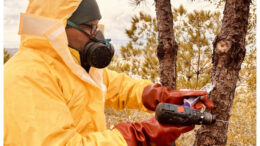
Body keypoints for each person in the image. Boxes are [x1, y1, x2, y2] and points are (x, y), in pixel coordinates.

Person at [4, 0, 214, 145]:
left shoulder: (73, 66)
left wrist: (157, 95)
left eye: (98, 27)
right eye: (90, 28)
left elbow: (116, 86)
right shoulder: (26, 76)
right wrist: (138, 136)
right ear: (58, 28)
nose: (99, 36)